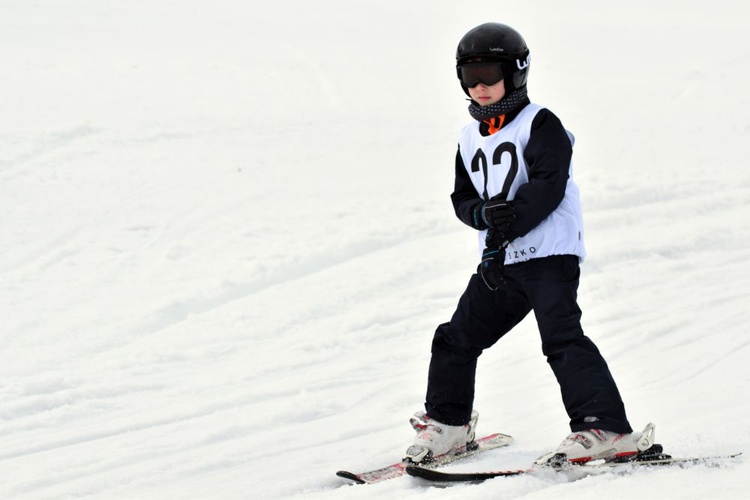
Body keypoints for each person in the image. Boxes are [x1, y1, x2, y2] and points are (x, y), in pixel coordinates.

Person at [404, 22, 655, 466]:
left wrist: (507, 223)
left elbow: (548, 185)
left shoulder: (540, 122)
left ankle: (607, 429)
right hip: (501, 261)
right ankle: (449, 426)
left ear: (517, 72)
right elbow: (463, 197)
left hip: (549, 255)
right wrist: (481, 216)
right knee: (455, 338)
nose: (479, 86)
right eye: (469, 76)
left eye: (489, 73)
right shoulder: (467, 136)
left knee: (561, 338)